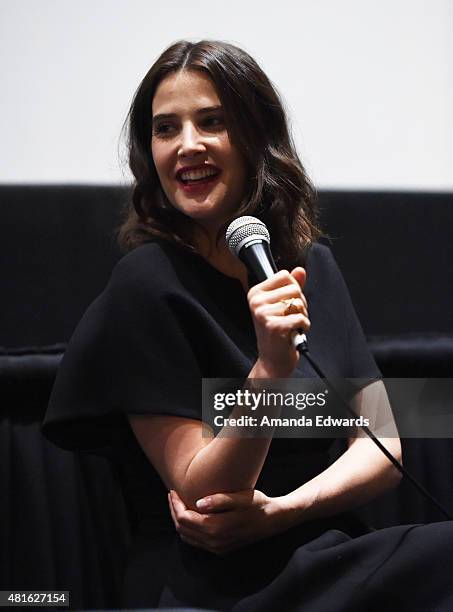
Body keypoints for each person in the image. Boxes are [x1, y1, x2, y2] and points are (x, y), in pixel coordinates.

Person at [43, 40, 453, 611]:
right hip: (215, 582)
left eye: (212, 122)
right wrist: (269, 370)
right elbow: (206, 493)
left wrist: (287, 510)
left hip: (328, 551)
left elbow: (382, 443)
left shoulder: (313, 266)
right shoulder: (147, 284)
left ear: (255, 135)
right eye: (166, 129)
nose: (188, 145)